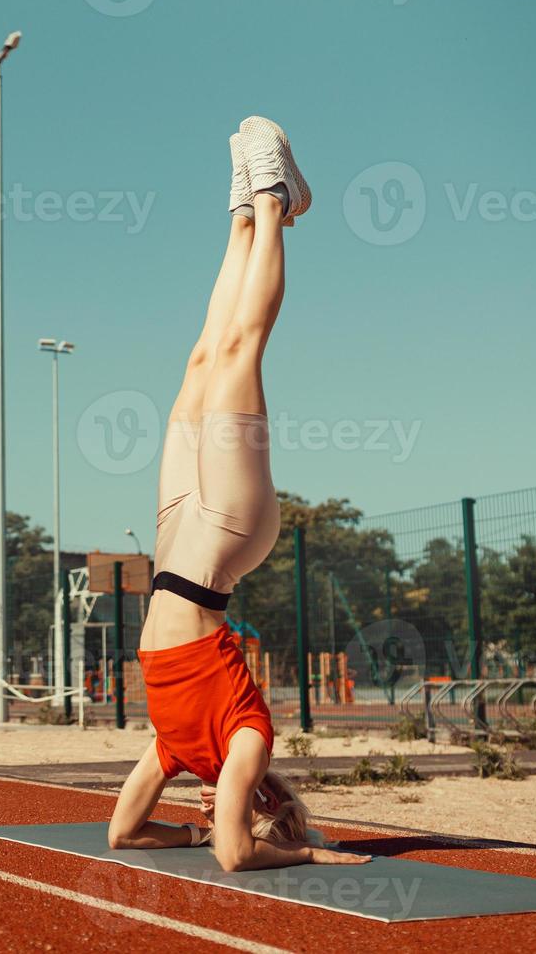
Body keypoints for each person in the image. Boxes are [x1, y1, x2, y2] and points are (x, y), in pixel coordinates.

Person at [105, 116, 368, 873]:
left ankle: (243, 213)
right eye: (243, 802)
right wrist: (306, 852)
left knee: (201, 358)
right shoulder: (247, 737)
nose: (215, 806)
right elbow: (232, 853)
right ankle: (276, 197)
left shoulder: (173, 751)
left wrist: (177, 831)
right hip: (223, 538)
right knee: (243, 350)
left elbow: (122, 833)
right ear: (261, 801)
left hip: (172, 542)